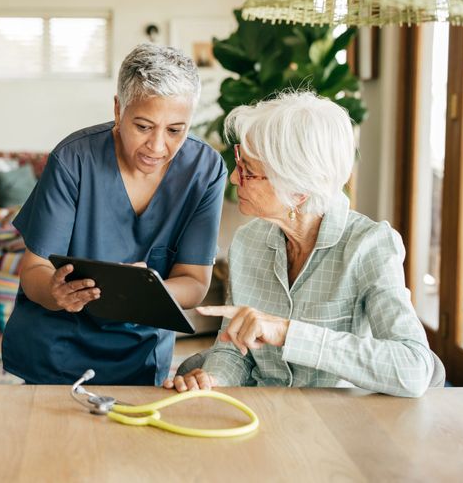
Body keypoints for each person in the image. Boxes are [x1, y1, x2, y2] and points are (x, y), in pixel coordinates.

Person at [164, 91, 434, 398]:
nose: (236, 179)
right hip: (265, 415)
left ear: (298, 190)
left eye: (249, 171)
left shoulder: (369, 246)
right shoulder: (247, 242)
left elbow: (414, 367)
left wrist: (289, 333)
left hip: (340, 427)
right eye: (240, 161)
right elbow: (234, 350)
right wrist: (212, 379)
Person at [1, 44, 227, 385]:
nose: (157, 146)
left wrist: (150, 290)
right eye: (143, 126)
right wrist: (55, 292)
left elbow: (194, 282)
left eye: (175, 130)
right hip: (57, 352)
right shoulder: (73, 160)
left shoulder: (205, 171)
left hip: (142, 356)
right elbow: (34, 269)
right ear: (119, 109)